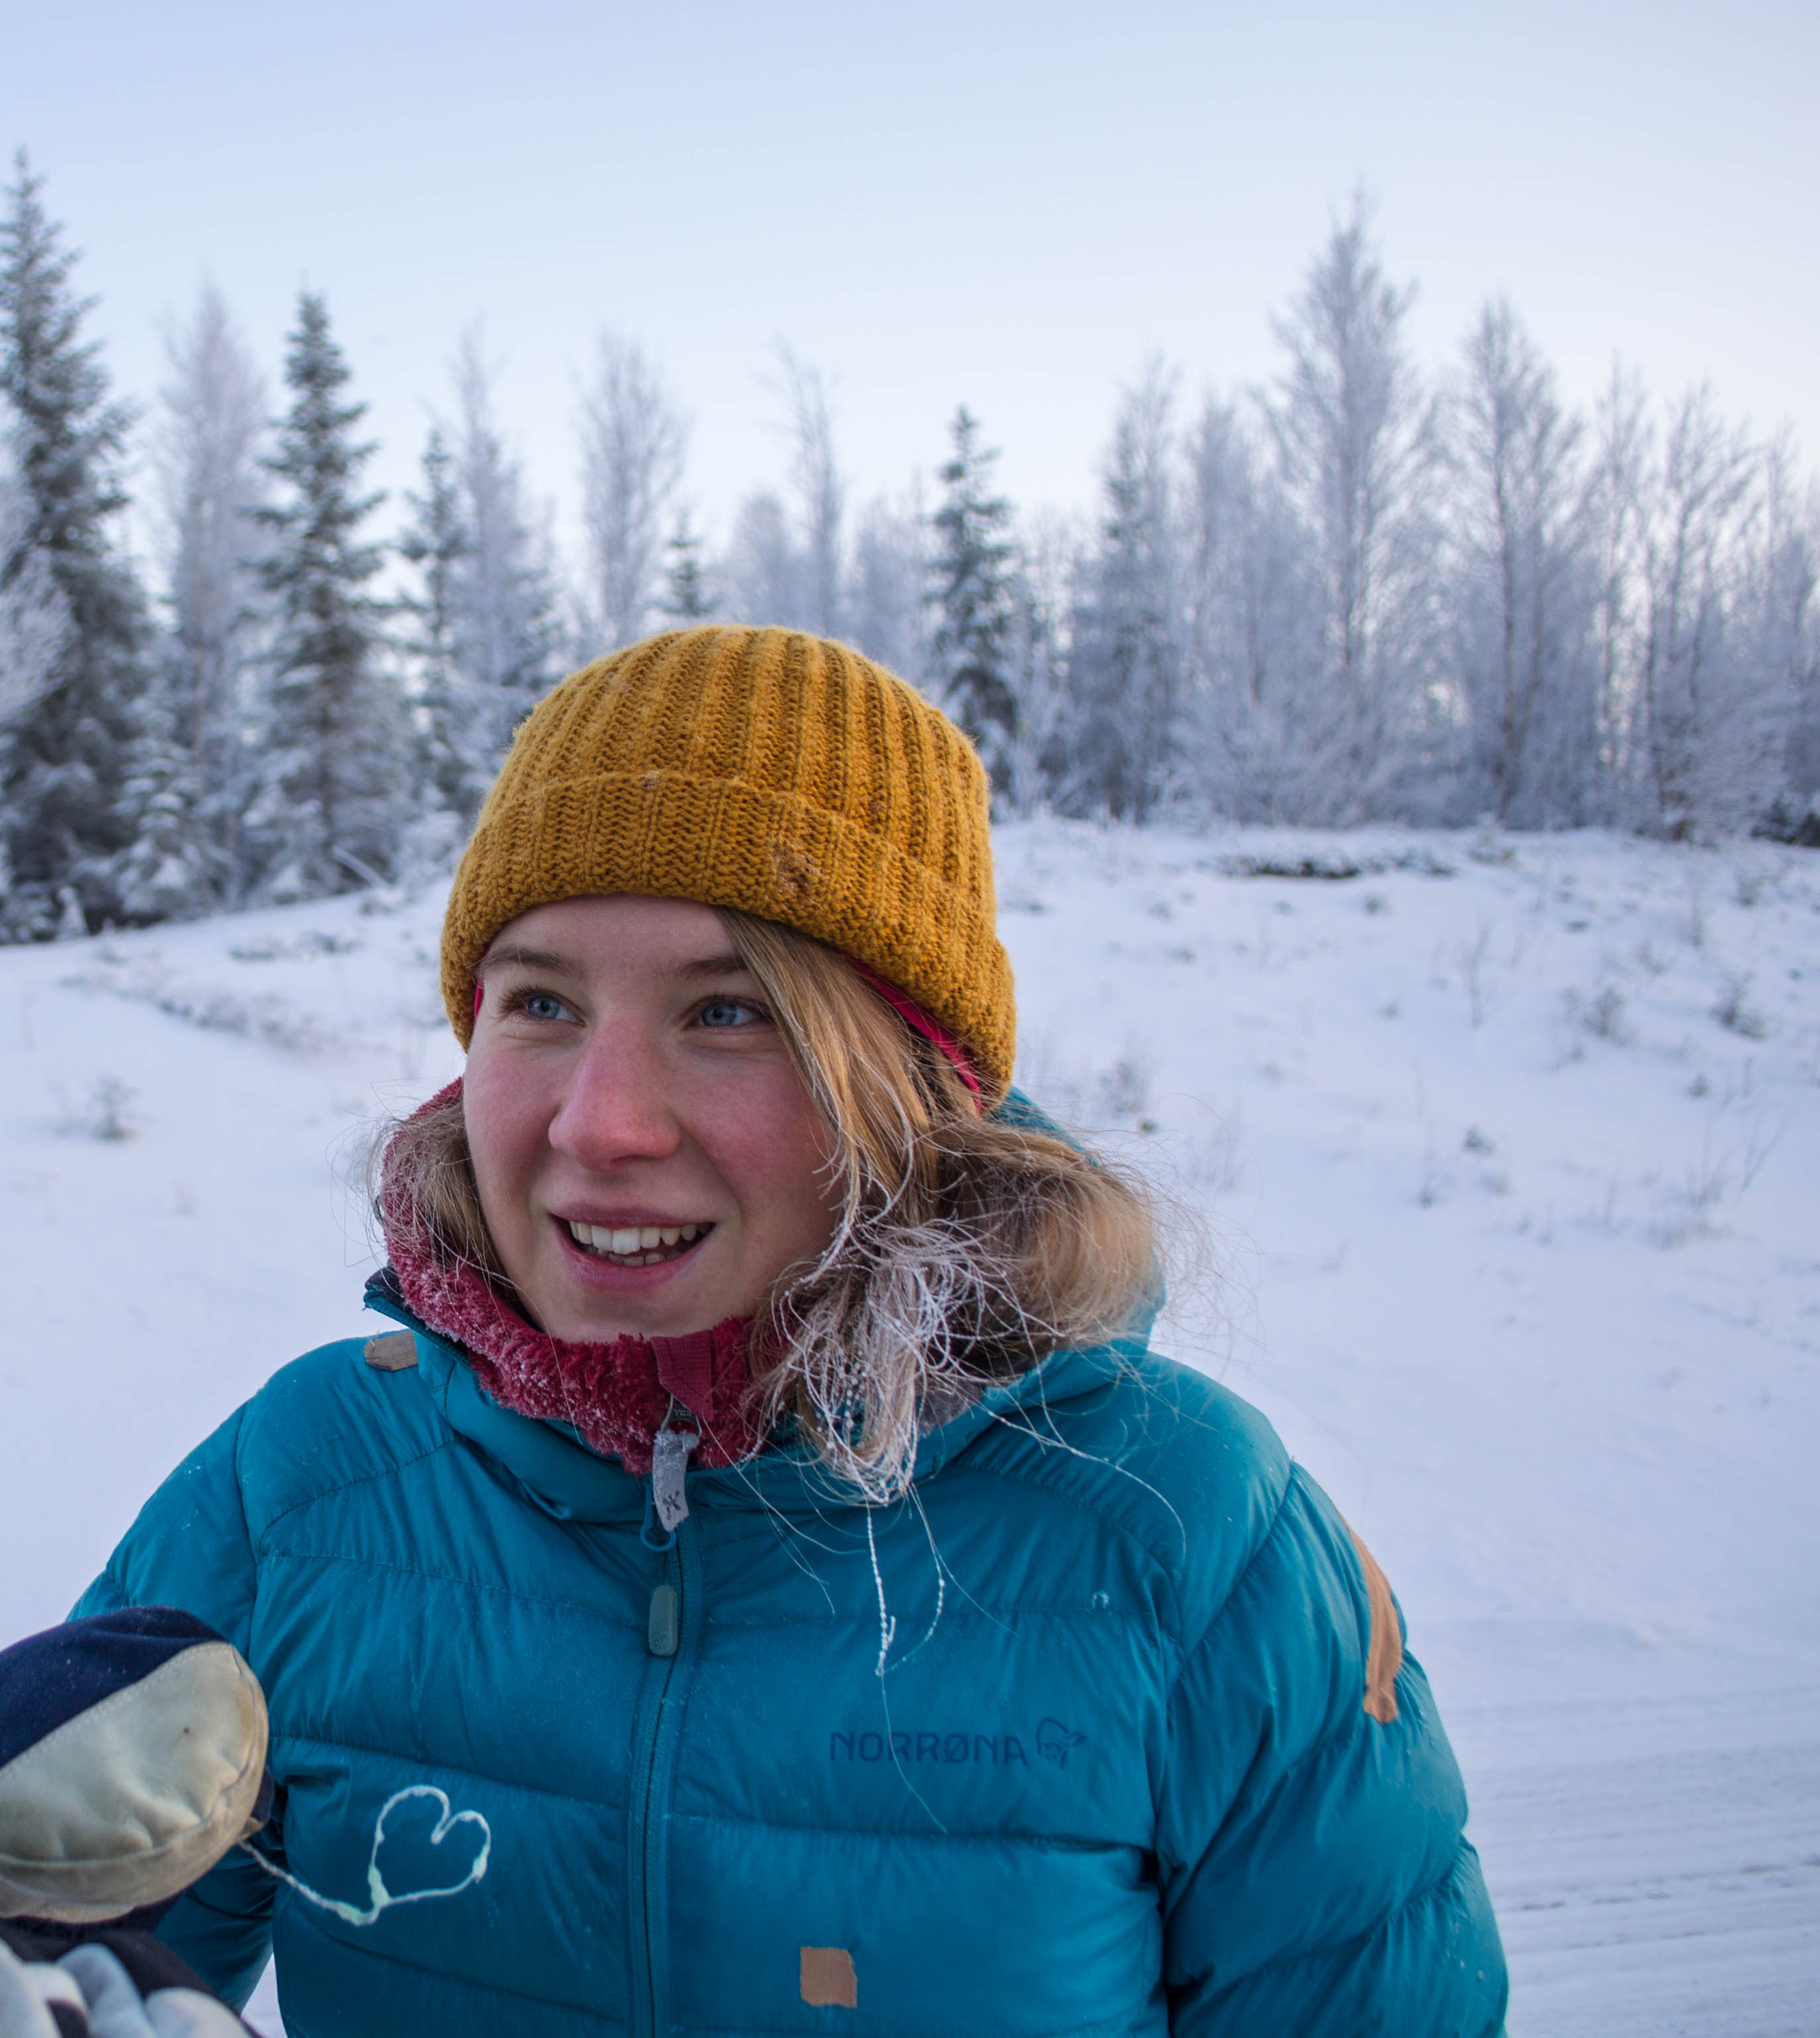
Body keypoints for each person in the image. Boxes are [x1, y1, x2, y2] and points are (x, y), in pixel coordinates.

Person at [82, 626, 1510, 2035]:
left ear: (910, 1088)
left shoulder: (1186, 1535)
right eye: (541, 1003)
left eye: (729, 1012)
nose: (600, 1123)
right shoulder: (304, 1488)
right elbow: (44, 1967)